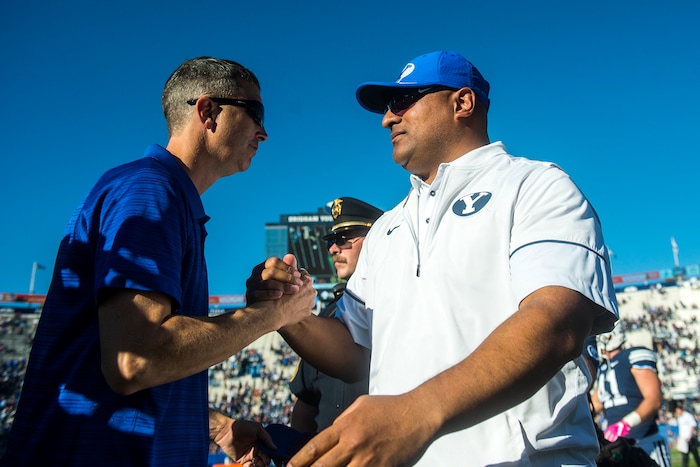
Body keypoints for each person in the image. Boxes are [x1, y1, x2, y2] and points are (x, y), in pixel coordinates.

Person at [250, 51, 619, 465]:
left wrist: (418, 413)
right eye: (388, 108)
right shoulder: (387, 228)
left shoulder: (536, 185)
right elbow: (353, 353)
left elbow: (558, 321)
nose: (387, 119)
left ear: (463, 103)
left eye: (403, 102)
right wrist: (288, 316)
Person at [1, 57, 316, 467]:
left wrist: (216, 428)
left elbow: (112, 378)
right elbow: (134, 361)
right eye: (254, 112)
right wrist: (270, 315)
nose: (264, 131)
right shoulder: (151, 191)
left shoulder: (164, 195)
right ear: (208, 112)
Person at [289, 197, 383, 433]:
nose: (333, 249)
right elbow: (306, 402)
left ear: (377, 238)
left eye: (344, 239)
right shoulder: (328, 314)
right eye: (332, 241)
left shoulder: (401, 301)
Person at [593, 323, 671, 466]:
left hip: (646, 442)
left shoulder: (632, 356)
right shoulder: (604, 368)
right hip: (620, 448)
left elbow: (654, 399)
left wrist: (626, 423)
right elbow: (596, 403)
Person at [674, 401, 700, 467]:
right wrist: (678, 439)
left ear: (681, 409)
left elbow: (693, 425)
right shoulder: (679, 418)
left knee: (695, 454)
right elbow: (681, 430)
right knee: (684, 455)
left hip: (690, 439)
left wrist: (690, 436)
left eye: (677, 410)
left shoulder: (688, 416)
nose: (677, 412)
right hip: (683, 439)